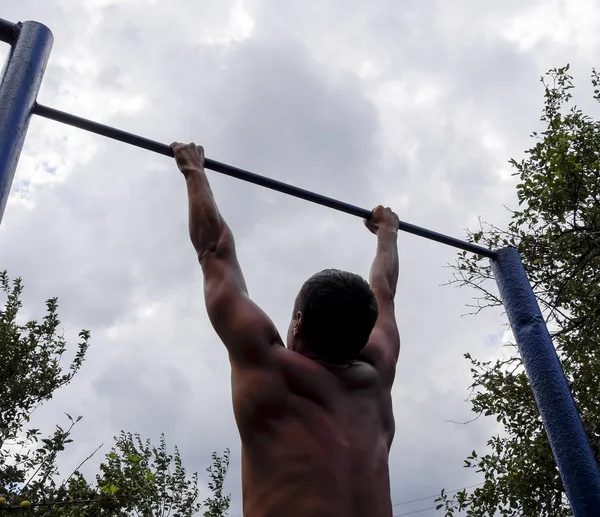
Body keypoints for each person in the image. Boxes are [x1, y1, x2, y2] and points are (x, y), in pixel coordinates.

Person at [172, 142, 400, 517]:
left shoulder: (269, 367)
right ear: (364, 332)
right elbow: (384, 293)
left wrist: (193, 169)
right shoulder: (378, 375)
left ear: (298, 322)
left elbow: (214, 250)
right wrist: (388, 233)